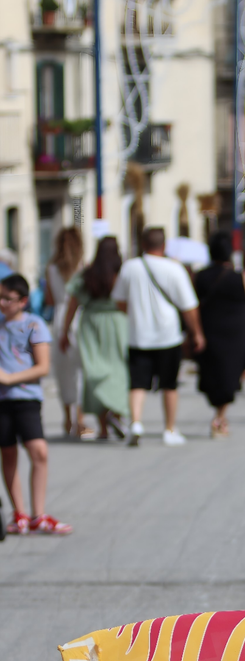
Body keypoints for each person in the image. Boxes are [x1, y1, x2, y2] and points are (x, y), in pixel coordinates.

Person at [112, 227, 205, 447]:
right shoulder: (175, 269)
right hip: (168, 335)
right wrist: (197, 333)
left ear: (142, 244)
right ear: (164, 246)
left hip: (138, 335)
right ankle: (169, 429)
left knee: (137, 383)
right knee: (169, 384)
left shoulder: (130, 267)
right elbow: (189, 306)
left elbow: (118, 300)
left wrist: (134, 312)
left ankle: (135, 422)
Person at [0, 274, 71, 534]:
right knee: (7, 452)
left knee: (38, 450)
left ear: (23, 301)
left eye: (7, 299)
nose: (2, 303)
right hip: (2, 400)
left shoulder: (34, 325)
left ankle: (38, 514)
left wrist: (9, 377)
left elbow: (42, 367)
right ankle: (19, 512)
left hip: (26, 398)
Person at [194, 233, 245, 437]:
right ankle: (220, 417)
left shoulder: (200, 275)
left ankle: (219, 415)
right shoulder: (240, 276)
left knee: (213, 372)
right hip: (235, 332)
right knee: (230, 373)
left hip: (208, 329)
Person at [61, 237, 129, 441]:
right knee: (119, 370)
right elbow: (126, 303)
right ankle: (116, 413)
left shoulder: (87, 274)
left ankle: (103, 428)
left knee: (95, 371)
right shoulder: (122, 274)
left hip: (90, 323)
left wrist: (64, 332)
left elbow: (72, 304)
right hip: (117, 323)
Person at [45, 226, 88, 437]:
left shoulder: (51, 268)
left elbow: (49, 300)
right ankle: (80, 420)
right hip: (78, 317)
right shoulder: (82, 267)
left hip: (59, 317)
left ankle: (67, 419)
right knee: (79, 370)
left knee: (62, 371)